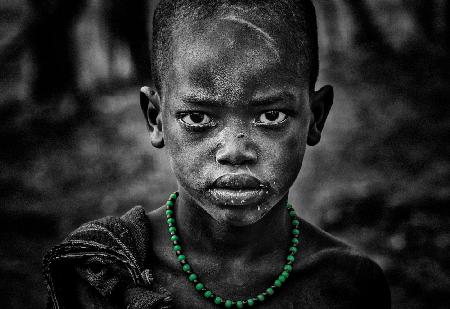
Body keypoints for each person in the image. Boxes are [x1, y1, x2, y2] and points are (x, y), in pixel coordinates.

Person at [43, 0, 391, 308]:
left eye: (271, 115)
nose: (235, 151)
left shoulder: (350, 285)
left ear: (316, 117)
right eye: (198, 117)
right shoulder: (100, 272)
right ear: (156, 119)